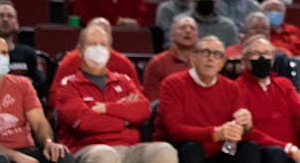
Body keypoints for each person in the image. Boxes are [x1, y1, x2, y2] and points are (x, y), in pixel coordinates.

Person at [50, 24, 176, 163]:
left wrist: (106, 108)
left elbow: (144, 109)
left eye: (103, 45)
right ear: (80, 51)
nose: (98, 49)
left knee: (164, 150)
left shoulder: (123, 80)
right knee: (105, 155)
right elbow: (84, 123)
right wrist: (126, 118)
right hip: (89, 148)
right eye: (92, 44)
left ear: (110, 51)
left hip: (130, 148)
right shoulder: (68, 85)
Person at [0, 32, 70, 163]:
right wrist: (14, 156)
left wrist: (48, 143)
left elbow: (39, 123)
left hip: (28, 150)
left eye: (4, 53)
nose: (1, 57)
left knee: (62, 156)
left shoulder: (23, 84)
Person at [155, 35, 258, 163]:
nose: (211, 59)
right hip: (182, 149)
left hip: (219, 152)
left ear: (221, 64)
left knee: (250, 148)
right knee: (192, 148)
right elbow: (175, 130)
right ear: (193, 58)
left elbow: (243, 135)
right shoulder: (173, 84)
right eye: (205, 52)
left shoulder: (232, 88)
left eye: (217, 55)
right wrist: (215, 133)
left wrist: (246, 127)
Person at [236, 35, 300, 163]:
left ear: (273, 59)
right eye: (255, 53)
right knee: (275, 155)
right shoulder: (236, 89)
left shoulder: (284, 85)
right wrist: (288, 148)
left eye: (267, 53)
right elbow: (248, 133)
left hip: (296, 154)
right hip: (268, 154)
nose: (262, 58)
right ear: (244, 60)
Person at [0, 0, 46, 94]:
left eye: (10, 16)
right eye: (0, 16)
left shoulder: (29, 54)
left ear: (17, 24)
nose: (5, 19)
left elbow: (41, 86)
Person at [143, 15, 199, 102]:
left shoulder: (204, 63)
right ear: (172, 35)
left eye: (192, 28)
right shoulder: (157, 62)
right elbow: (152, 98)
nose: (188, 31)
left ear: (197, 36)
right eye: (182, 28)